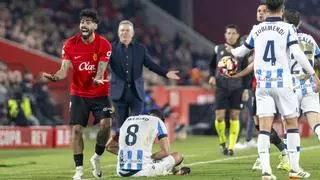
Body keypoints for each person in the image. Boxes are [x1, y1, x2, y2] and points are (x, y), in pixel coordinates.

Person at [229, 0, 319, 179]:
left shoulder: (256, 29)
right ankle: (294, 170)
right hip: (284, 84)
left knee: (264, 128)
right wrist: (313, 74)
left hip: (263, 86)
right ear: (282, 9)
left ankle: (266, 172)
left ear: (267, 10)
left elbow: (240, 52)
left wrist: (228, 58)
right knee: (292, 125)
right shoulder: (288, 29)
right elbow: (298, 53)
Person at [42, 9, 112, 180]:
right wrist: (56, 77)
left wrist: (97, 77)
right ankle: (79, 170)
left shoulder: (104, 44)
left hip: (100, 93)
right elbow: (64, 69)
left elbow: (102, 66)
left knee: (105, 126)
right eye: (82, 21)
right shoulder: (70, 44)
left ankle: (96, 157)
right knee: (77, 129)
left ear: (95, 25)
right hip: (79, 93)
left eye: (88, 21)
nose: (84, 24)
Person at [105, 20, 180, 152]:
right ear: (118, 32)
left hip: (136, 93)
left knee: (136, 125)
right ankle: (124, 156)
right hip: (119, 94)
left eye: (127, 30)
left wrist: (166, 73)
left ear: (132, 33)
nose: (124, 33)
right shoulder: (110, 49)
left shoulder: (140, 49)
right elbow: (102, 65)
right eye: (122, 30)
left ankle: (136, 155)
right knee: (122, 128)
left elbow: (151, 65)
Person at [236, 3, 290, 172]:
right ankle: (284, 151)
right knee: (260, 125)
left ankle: (268, 157)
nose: (260, 13)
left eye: (264, 11)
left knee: (266, 124)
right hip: (257, 84)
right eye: (258, 11)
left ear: (271, 12)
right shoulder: (255, 33)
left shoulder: (273, 32)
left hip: (273, 84)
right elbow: (254, 63)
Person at [208, 24, 250, 156]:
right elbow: (211, 66)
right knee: (219, 116)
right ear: (225, 35)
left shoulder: (242, 51)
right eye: (228, 33)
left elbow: (246, 71)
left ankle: (231, 147)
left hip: (237, 88)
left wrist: (246, 89)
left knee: (234, 116)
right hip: (221, 87)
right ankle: (222, 142)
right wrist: (211, 77)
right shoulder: (218, 49)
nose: (231, 35)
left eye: (233, 33)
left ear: (237, 35)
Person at [116, 109, 190, 177]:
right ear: (162, 119)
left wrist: (130, 155)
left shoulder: (128, 120)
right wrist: (150, 157)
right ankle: (176, 171)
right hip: (141, 171)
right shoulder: (158, 121)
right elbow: (165, 152)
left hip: (121, 171)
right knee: (177, 156)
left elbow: (110, 146)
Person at [284, 10, 320, 141]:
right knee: (316, 124)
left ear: (284, 22)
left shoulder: (284, 39)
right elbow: (318, 57)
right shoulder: (310, 38)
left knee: (289, 127)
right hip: (309, 85)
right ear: (300, 22)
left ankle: (289, 159)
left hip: (290, 87)